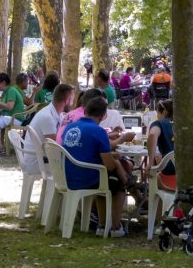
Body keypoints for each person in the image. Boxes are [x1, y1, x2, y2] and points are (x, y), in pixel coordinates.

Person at [60, 97, 127, 237]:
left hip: (67, 176)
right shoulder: (98, 131)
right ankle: (115, 227)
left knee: (108, 182)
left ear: (85, 111)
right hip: (88, 178)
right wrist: (115, 161)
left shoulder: (70, 127)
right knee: (117, 183)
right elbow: (109, 166)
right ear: (103, 115)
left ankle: (102, 225)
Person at [28, 83, 75, 148]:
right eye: (72, 100)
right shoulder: (47, 117)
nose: (72, 103)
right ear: (67, 100)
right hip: (36, 154)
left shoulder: (57, 113)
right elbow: (56, 145)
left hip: (42, 151)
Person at [0, 72, 26, 139]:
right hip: (9, 117)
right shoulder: (6, 92)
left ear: (3, 82)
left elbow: (9, 107)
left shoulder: (11, 90)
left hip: (15, 118)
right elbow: (3, 107)